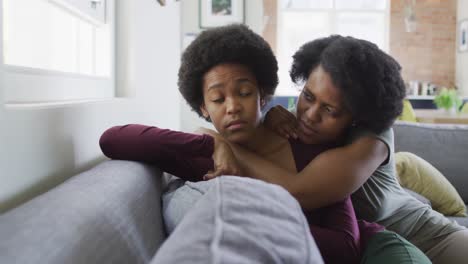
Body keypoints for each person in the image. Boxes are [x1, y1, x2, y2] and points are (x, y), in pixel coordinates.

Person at [100, 25, 429, 263]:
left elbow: (345, 247)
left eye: (244, 93)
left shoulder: (307, 145)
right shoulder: (204, 152)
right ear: (202, 107)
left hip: (398, 236)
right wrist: (212, 143)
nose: (231, 106)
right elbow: (113, 138)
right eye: (216, 98)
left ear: (264, 95)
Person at [251, 35, 468, 264]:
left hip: (435, 239)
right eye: (308, 96)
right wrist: (269, 119)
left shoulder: (373, 137)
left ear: (357, 115)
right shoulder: (297, 120)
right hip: (377, 249)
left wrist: (230, 152)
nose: (310, 115)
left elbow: (300, 192)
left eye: (330, 109)